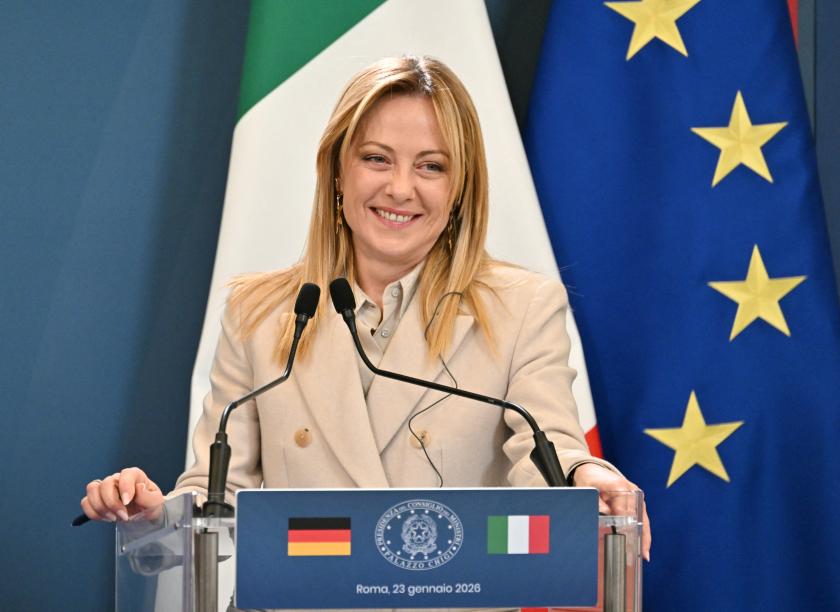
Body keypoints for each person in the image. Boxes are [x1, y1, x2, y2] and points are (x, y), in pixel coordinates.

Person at [81, 56, 651, 561]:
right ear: (337, 171)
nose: (400, 188)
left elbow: (548, 451)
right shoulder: (258, 314)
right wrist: (153, 516)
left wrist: (584, 474)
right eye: (377, 159)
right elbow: (216, 496)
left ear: (460, 188)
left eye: (431, 166)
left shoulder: (522, 307)